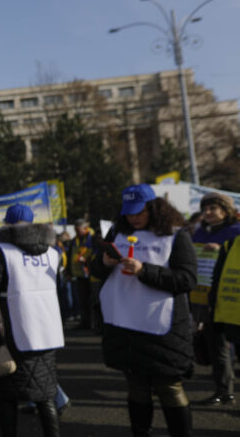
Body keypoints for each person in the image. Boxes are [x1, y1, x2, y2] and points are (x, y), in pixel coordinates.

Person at [92, 184, 195, 437]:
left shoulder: (176, 235)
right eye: (128, 212)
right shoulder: (117, 232)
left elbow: (187, 279)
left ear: (154, 208)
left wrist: (144, 271)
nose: (133, 217)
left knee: (169, 385)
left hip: (163, 325)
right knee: (136, 385)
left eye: (139, 212)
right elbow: (96, 271)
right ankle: (140, 432)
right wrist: (103, 263)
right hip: (124, 323)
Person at [0, 204, 64, 437]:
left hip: (11, 330)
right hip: (46, 331)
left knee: (7, 397)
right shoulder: (53, 252)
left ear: (7, 223)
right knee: (45, 395)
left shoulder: (1, 250)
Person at [191, 192, 240, 406]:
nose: (207, 213)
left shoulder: (236, 232)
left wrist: (221, 251)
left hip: (231, 299)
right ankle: (223, 390)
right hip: (205, 296)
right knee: (215, 346)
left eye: (213, 208)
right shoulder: (200, 232)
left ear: (225, 210)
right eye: (205, 209)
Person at [67, 219, 95, 330]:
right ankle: (85, 322)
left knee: (92, 300)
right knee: (82, 300)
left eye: (78, 230)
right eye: (75, 230)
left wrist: (87, 261)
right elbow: (69, 256)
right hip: (79, 274)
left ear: (85, 228)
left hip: (91, 274)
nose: (76, 233)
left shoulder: (92, 239)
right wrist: (68, 271)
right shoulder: (75, 240)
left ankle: (93, 323)